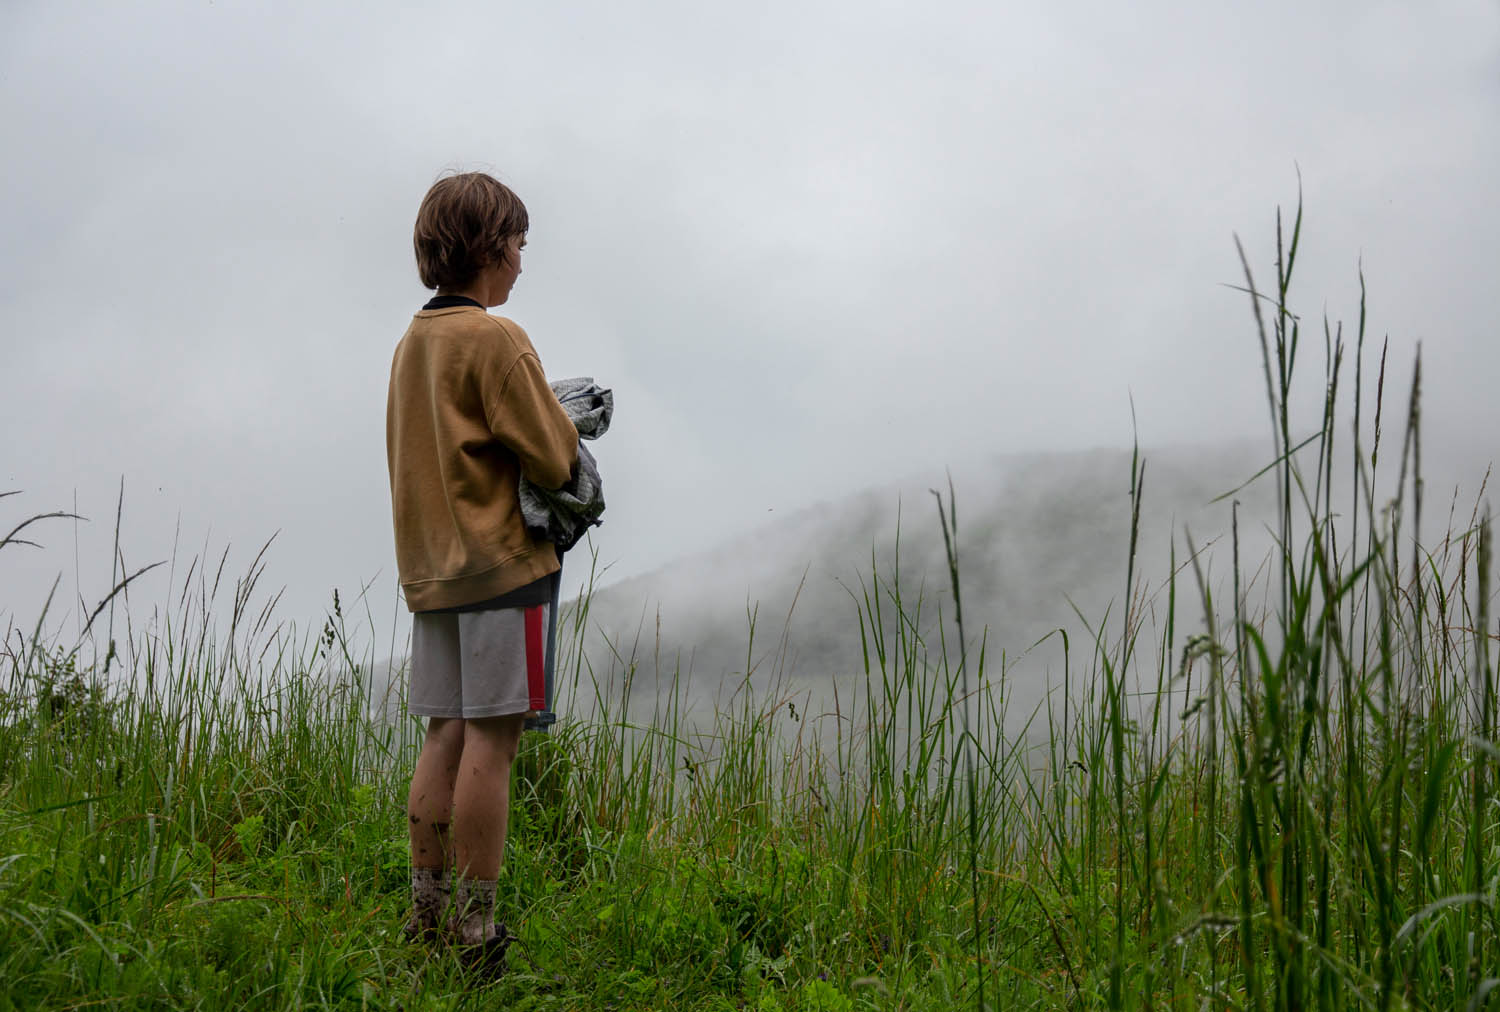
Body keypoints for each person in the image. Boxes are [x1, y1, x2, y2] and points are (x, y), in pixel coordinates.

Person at [385, 171, 578, 968]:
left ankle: (425, 920)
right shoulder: (497, 339)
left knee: (444, 736)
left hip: (432, 572)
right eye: (521, 245)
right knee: (493, 748)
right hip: (504, 569)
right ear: (492, 245)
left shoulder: (412, 344)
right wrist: (569, 413)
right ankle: (475, 934)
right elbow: (554, 455)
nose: (524, 263)